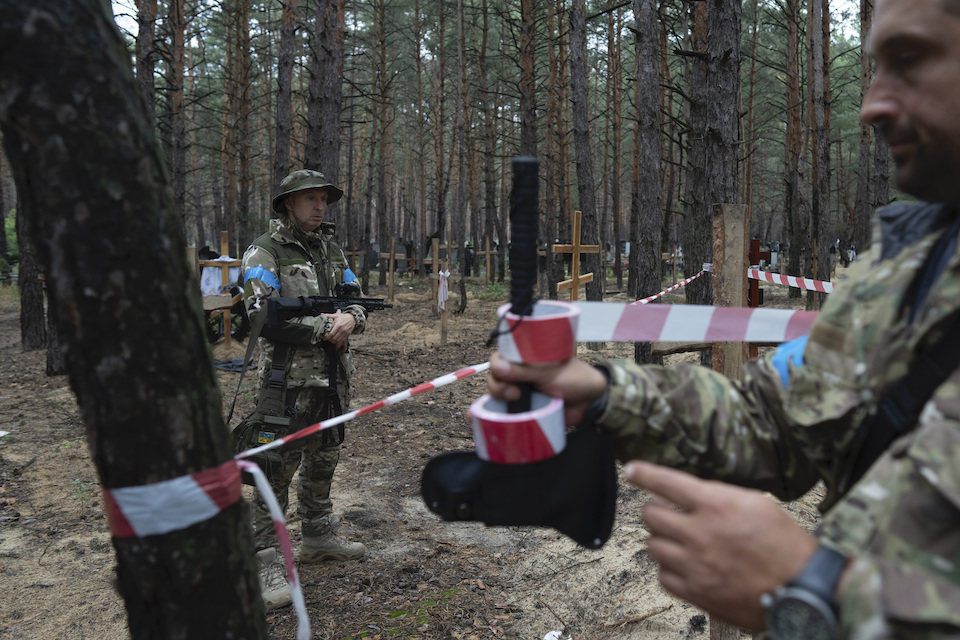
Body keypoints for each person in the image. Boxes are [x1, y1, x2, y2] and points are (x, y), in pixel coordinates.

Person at [487, 0, 960, 637]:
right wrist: (602, 395)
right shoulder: (907, 263)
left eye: (909, 60)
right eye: (874, 68)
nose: (871, 105)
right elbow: (776, 426)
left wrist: (820, 596)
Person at [241, 169, 367, 610]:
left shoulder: (331, 249)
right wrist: (323, 326)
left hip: (333, 377)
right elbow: (261, 314)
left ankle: (317, 533)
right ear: (288, 205)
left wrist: (352, 318)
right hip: (285, 380)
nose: (319, 206)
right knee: (275, 466)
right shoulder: (265, 251)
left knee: (325, 456)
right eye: (310, 199)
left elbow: (355, 296)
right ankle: (263, 557)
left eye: (323, 199)